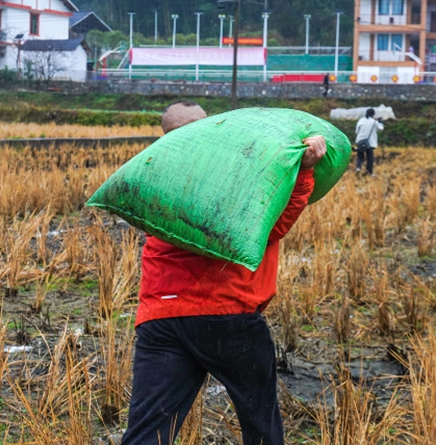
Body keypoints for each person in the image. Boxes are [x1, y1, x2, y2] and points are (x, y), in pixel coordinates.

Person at [122, 101, 328, 445]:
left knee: (147, 433)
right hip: (226, 313)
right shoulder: (228, 170)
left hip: (161, 317)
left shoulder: (154, 171)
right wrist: (304, 173)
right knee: (260, 425)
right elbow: (267, 230)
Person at [355, 108, 384, 176]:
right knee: (369, 158)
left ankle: (358, 167)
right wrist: (381, 122)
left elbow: (356, 131)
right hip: (369, 142)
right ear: (373, 114)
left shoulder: (361, 120)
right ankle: (369, 172)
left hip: (360, 141)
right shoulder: (374, 122)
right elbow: (380, 128)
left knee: (360, 155)